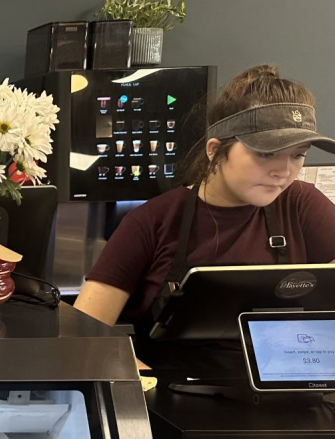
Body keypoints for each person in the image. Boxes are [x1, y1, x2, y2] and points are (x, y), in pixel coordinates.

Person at [75, 65, 335, 372]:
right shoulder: (151, 222)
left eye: (297, 154)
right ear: (215, 150)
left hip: (290, 396)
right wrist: (142, 385)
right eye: (266, 154)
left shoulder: (301, 204)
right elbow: (84, 334)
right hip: (174, 399)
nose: (284, 171)